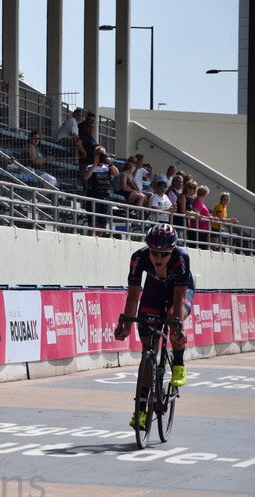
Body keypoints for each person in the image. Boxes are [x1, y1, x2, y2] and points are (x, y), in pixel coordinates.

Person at [115, 224, 194, 428]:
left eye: (164, 254)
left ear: (172, 251)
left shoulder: (181, 258)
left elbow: (178, 300)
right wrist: (126, 325)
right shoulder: (139, 257)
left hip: (178, 294)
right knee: (147, 351)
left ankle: (178, 363)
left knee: (173, 317)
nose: (158, 258)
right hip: (153, 293)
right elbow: (133, 295)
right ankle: (140, 411)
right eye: (154, 252)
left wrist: (178, 328)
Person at [82, 145, 119, 236]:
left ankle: (98, 239)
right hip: (94, 197)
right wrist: (95, 164)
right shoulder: (90, 167)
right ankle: (90, 239)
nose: (100, 156)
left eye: (102, 154)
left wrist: (110, 163)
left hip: (104, 198)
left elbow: (117, 173)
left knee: (101, 224)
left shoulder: (107, 167)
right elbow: (86, 177)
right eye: (98, 154)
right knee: (92, 224)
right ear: (95, 155)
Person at [192, 185, 215, 249]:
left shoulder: (199, 202)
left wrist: (209, 217)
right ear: (205, 195)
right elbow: (196, 215)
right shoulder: (197, 202)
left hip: (203, 230)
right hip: (199, 230)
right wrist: (208, 218)